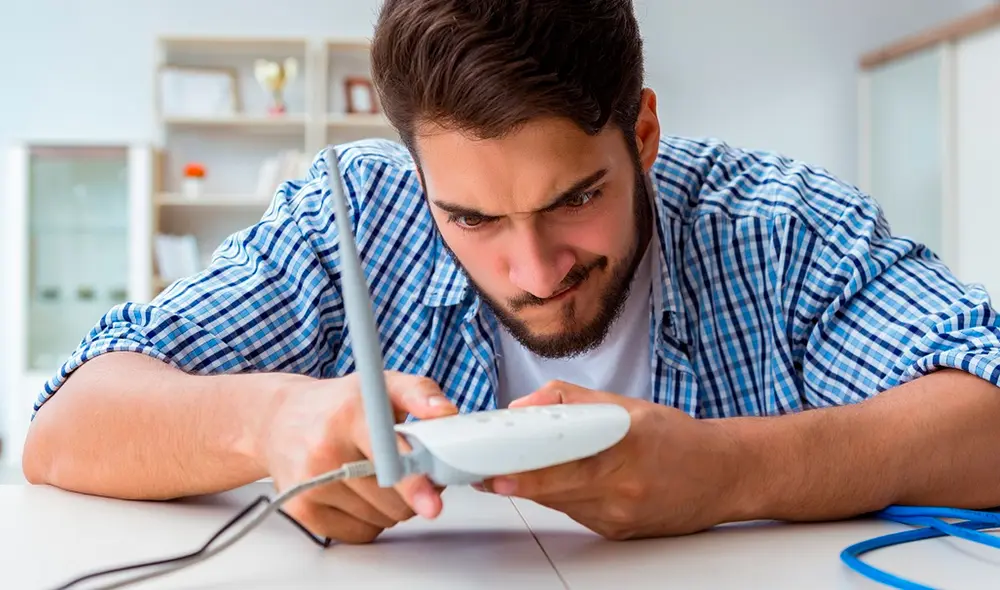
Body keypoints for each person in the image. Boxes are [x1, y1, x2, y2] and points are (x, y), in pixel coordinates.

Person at [22, 0, 1000, 545]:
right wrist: (270, 422)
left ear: (644, 133)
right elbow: (69, 422)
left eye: (575, 198)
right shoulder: (355, 215)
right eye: (472, 216)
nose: (531, 270)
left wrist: (726, 470)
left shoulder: (776, 227)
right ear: (418, 177)